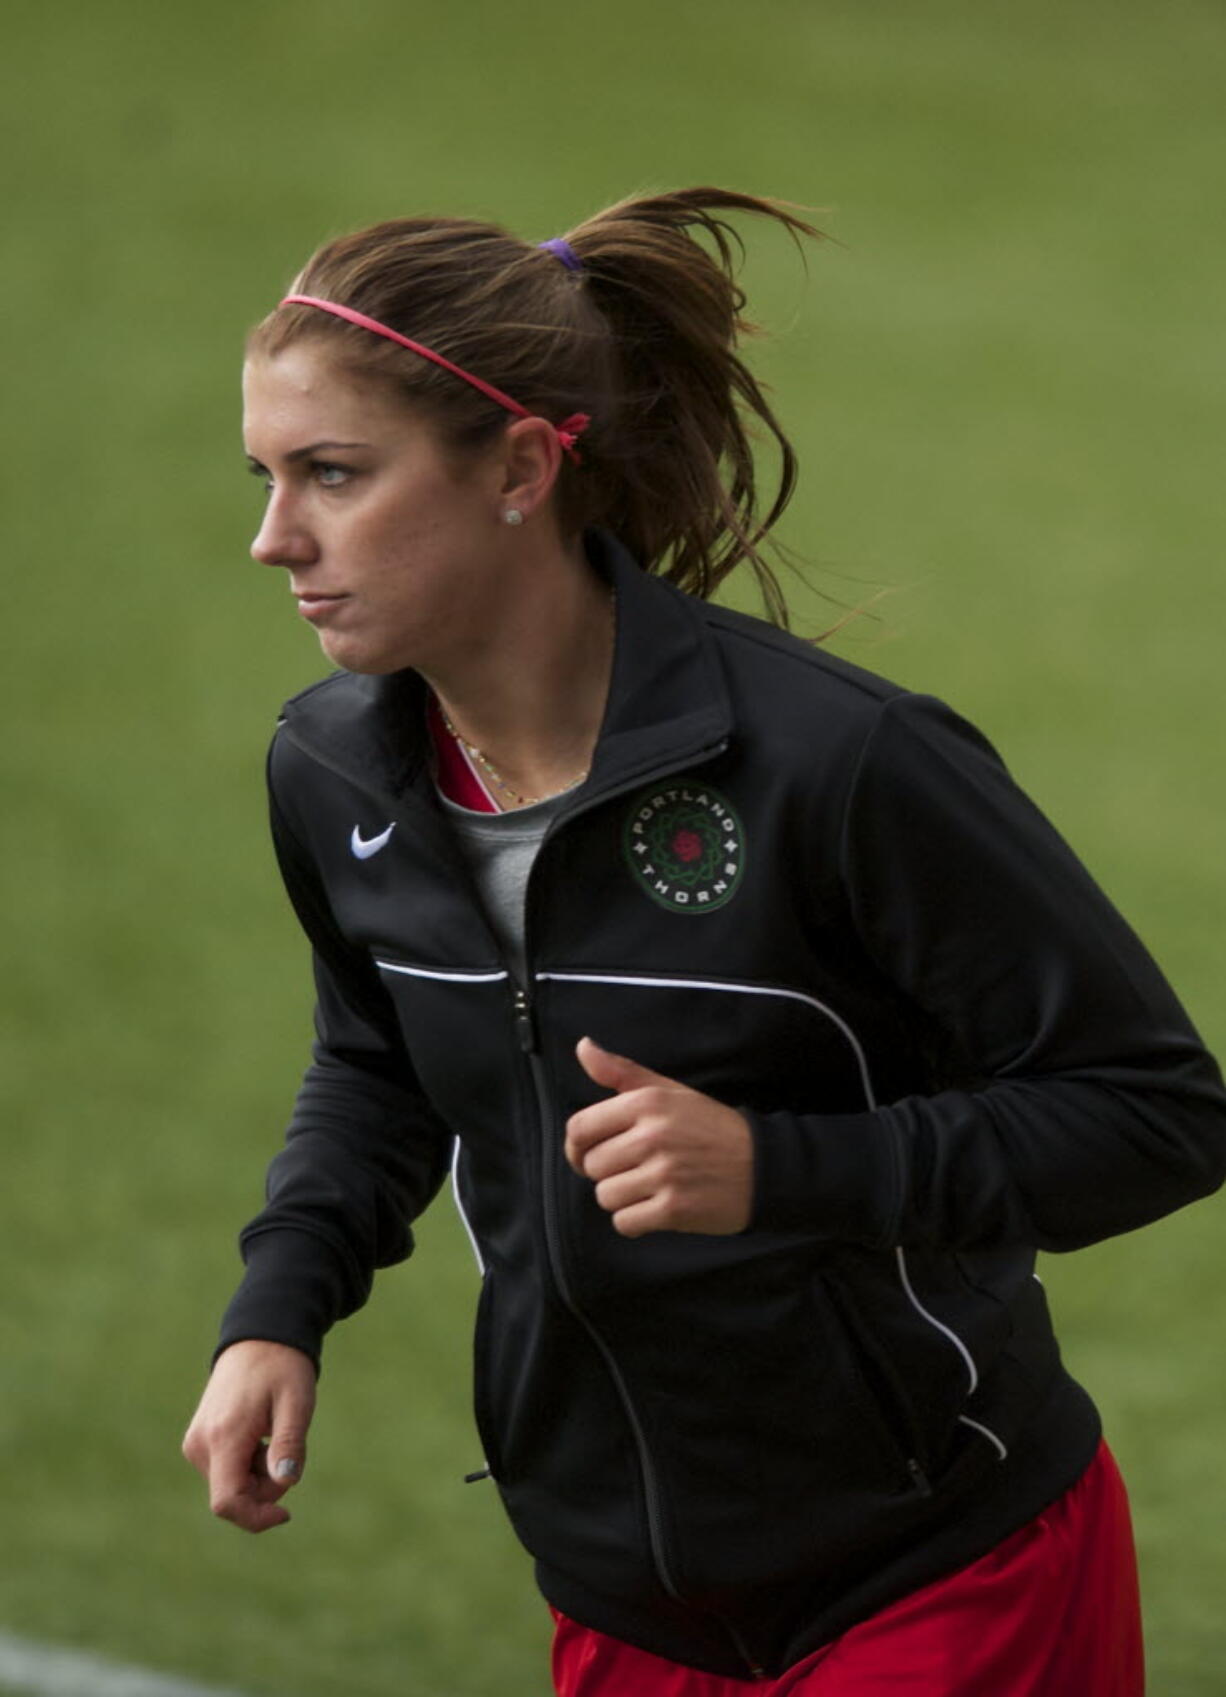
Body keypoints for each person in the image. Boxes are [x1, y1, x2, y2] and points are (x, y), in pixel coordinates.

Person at [182, 187, 1226, 1695]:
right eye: (268, 475)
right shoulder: (334, 772)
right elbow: (378, 1057)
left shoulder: (840, 763)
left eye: (333, 474)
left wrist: (779, 1169)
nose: (275, 538)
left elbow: (1155, 1109)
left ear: (521, 468)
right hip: (622, 1599)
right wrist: (280, 1304)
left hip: (938, 1573)